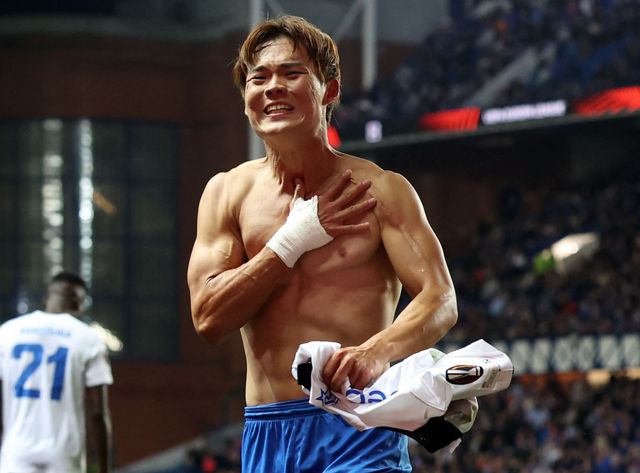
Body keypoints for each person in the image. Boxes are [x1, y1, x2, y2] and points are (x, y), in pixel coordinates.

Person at [187, 15, 458, 472]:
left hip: (359, 427)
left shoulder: (380, 190)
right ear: (246, 100)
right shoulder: (226, 193)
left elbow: (440, 298)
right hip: (268, 430)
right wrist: (292, 241)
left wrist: (377, 352)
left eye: (291, 73)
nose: (273, 87)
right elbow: (209, 318)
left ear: (328, 90)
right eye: (258, 78)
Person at [0, 272, 113, 473]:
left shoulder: (7, 332)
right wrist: (105, 468)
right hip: (64, 454)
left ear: (46, 298)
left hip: (16, 452)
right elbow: (98, 412)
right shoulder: (88, 338)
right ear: (80, 304)